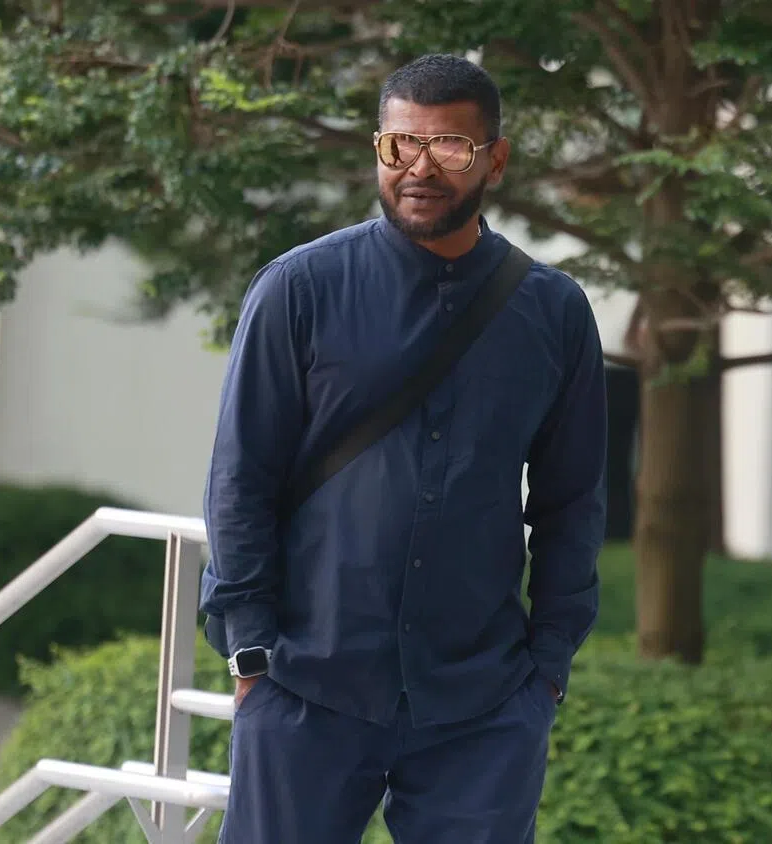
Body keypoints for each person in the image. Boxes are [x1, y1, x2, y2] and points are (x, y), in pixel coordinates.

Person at [200, 53, 608, 844]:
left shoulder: (552, 311)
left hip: (483, 701)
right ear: (378, 148)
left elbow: (573, 500)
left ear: (495, 158)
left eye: (449, 145)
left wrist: (548, 666)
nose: (419, 167)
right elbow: (241, 474)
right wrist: (251, 649)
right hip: (307, 683)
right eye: (400, 145)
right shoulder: (299, 287)